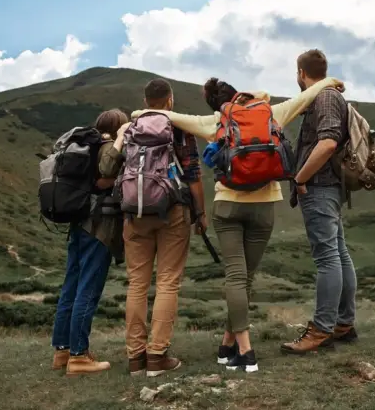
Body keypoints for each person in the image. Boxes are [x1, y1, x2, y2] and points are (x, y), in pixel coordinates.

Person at [132, 75, 344, 372]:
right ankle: (229, 345)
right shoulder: (270, 112)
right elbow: (304, 98)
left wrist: (139, 114)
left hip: (228, 205)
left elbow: (171, 116)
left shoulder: (216, 122)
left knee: (235, 277)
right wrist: (330, 81)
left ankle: (241, 347)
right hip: (264, 206)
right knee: (246, 279)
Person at [124, 78, 206, 377]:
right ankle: (157, 356)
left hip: (134, 211)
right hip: (173, 210)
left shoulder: (130, 128)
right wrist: (201, 213)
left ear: (145, 101)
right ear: (169, 100)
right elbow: (194, 174)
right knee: (168, 282)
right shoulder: (179, 128)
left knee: (137, 284)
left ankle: (135, 358)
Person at [281, 49, 358, 355]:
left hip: (320, 186)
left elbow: (327, 142)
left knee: (327, 258)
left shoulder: (325, 98)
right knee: (338, 254)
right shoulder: (326, 96)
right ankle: (343, 323)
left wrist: (300, 178)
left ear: (301, 72)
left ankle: (322, 329)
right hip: (330, 186)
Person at [51, 108, 130, 375]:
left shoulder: (85, 146)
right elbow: (107, 173)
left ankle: (62, 351)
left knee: (70, 288)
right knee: (88, 290)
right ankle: (79, 357)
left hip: (78, 224)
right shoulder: (108, 148)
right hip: (99, 228)